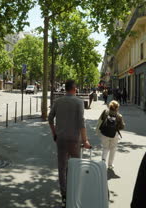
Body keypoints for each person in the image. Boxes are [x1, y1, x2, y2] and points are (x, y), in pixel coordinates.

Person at [48, 79, 92, 207]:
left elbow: (50, 119)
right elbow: (81, 123)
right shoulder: (79, 102)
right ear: (74, 88)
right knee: (76, 166)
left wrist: (54, 133)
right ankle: (75, 193)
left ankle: (64, 195)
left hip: (60, 139)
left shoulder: (58, 101)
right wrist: (85, 140)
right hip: (74, 140)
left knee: (62, 168)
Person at [96, 100, 125, 170]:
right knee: (113, 149)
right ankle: (110, 164)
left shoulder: (105, 112)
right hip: (114, 134)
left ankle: (103, 162)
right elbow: (122, 126)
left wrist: (97, 130)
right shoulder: (119, 116)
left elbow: (99, 121)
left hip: (104, 133)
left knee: (105, 148)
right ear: (117, 108)